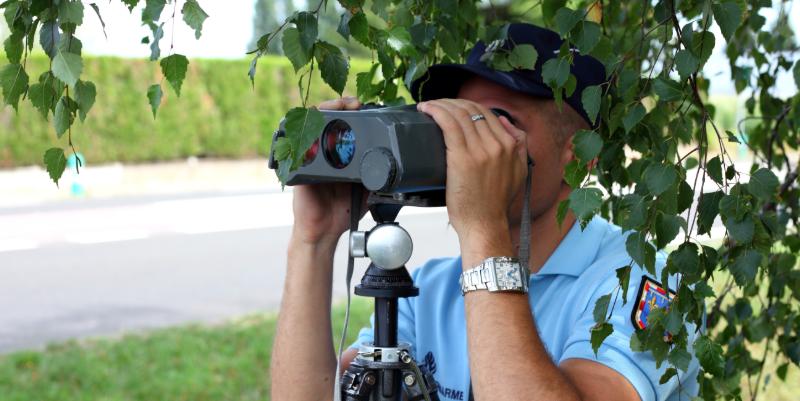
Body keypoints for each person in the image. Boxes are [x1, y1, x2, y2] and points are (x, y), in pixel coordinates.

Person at [271, 23, 700, 401]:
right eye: (456, 124)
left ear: (578, 154)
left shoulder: (639, 284)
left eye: (495, 123)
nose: (469, 150)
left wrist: (482, 231)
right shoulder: (429, 292)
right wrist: (313, 239)